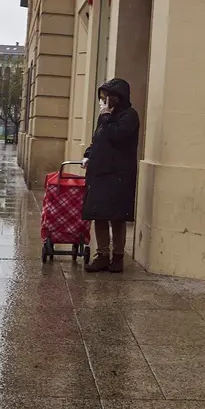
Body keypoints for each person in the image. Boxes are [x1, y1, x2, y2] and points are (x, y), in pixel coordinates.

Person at [81, 78, 140, 273]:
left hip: (118, 174)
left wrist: (106, 117)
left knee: (117, 217)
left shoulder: (129, 116)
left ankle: (118, 256)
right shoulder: (103, 117)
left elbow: (118, 136)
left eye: (106, 98)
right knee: (99, 215)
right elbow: (98, 138)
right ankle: (103, 254)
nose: (103, 101)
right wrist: (88, 155)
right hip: (99, 173)